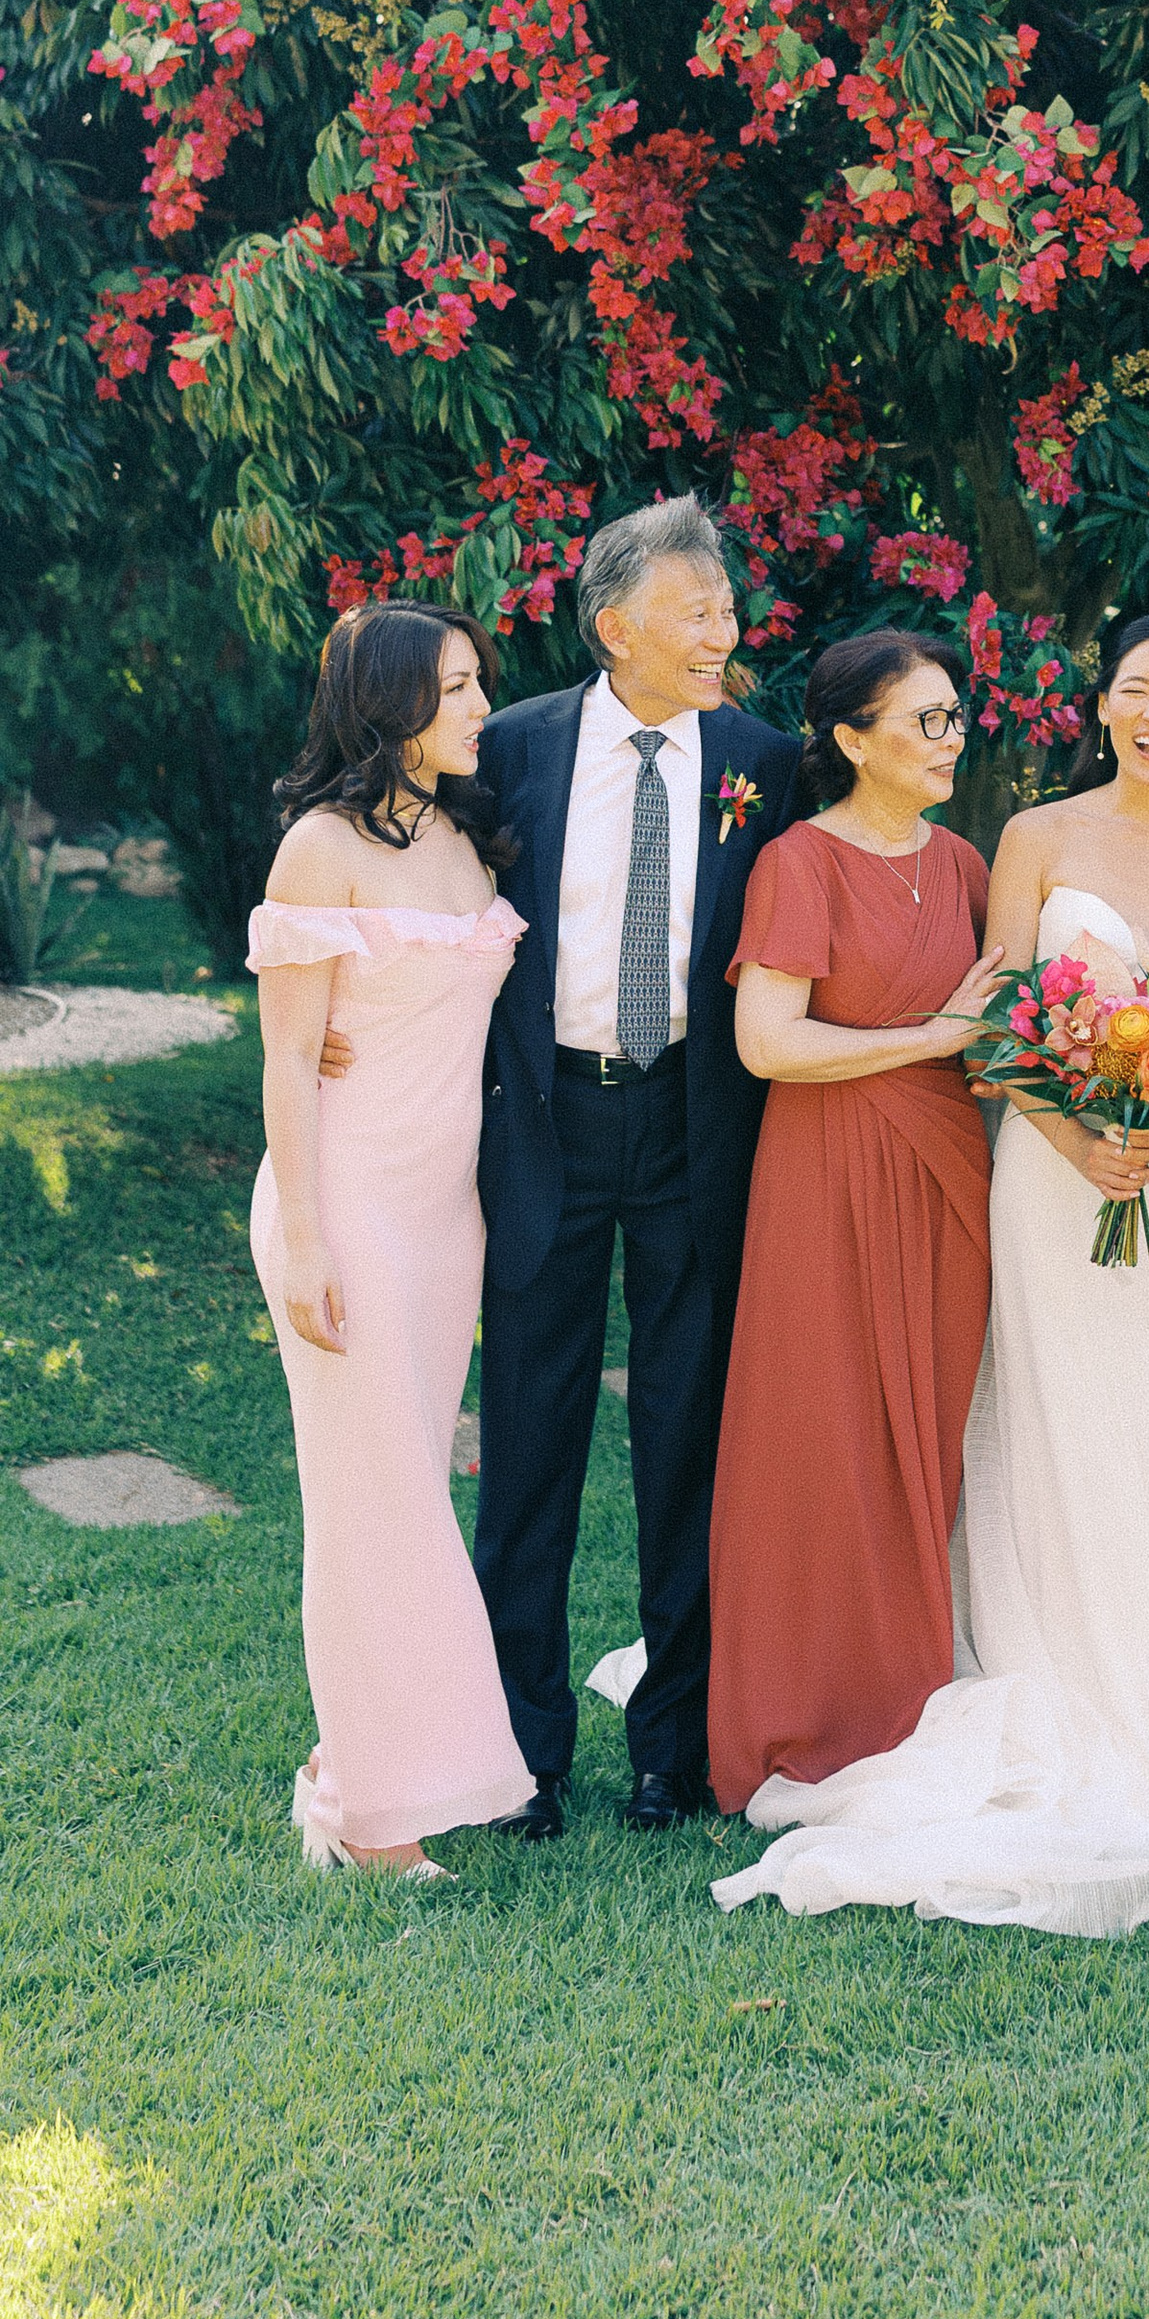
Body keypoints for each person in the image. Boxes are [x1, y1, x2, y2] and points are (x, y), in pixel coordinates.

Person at [715, 609, 1149, 1938]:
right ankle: (1049, 1663)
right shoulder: (1033, 841)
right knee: (1056, 1422)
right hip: (1051, 1181)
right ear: (1099, 706)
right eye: (1132, 689)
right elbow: (996, 1023)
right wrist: (1079, 1138)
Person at [470, 498, 799, 1836]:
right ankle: (521, 1753)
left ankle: (676, 1749)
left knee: (689, 1440)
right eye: (698, 613)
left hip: (695, 1131)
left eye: (728, 609)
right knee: (531, 1443)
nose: (726, 633)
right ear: (616, 628)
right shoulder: (510, 749)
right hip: (547, 1127)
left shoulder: (765, 762)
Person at [248, 603, 536, 1873]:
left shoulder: (466, 836)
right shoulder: (320, 849)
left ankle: (348, 1766)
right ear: (392, 703)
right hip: (346, 1204)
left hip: (443, 1213)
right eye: (461, 688)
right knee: (375, 1505)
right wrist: (306, 1239)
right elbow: (288, 1062)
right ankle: (373, 1823)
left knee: (405, 1481)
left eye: (478, 683)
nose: (483, 708)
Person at [706, 633, 1005, 1820]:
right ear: (849, 740)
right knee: (823, 1435)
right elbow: (767, 1043)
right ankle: (822, 1701)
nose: (949, 738)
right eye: (924, 720)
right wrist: (930, 1038)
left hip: (947, 1175)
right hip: (827, 1175)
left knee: (930, 1427)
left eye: (951, 717)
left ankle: (921, 1675)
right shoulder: (798, 862)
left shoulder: (970, 862)